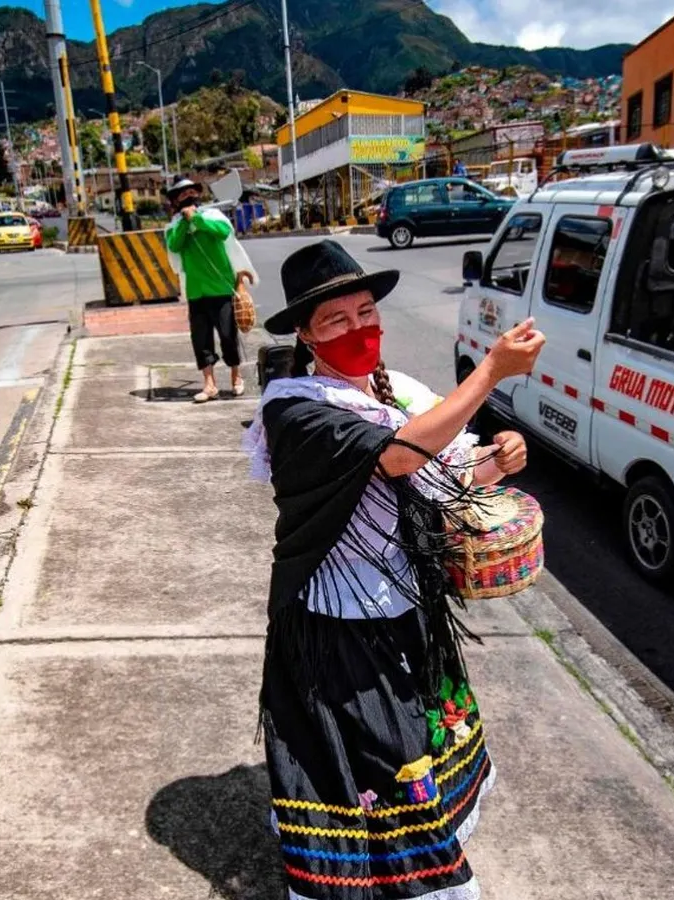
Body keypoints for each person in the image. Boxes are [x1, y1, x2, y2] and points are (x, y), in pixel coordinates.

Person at [241, 240, 544, 899]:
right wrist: (492, 370)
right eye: (336, 320)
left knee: (416, 744)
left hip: (406, 607)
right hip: (335, 621)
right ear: (305, 335)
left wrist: (499, 457)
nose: (359, 329)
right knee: (386, 757)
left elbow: (443, 473)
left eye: (365, 313)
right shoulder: (294, 410)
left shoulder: (396, 390)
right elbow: (400, 458)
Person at [163, 176, 257, 402]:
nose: (188, 196)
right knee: (201, 340)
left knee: (228, 336)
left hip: (221, 288)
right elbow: (174, 245)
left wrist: (198, 219)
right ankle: (209, 384)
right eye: (182, 193)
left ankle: (236, 377)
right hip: (196, 291)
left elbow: (223, 232)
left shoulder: (213, 216)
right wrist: (186, 222)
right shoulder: (175, 226)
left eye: (191, 192)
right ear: (176, 200)